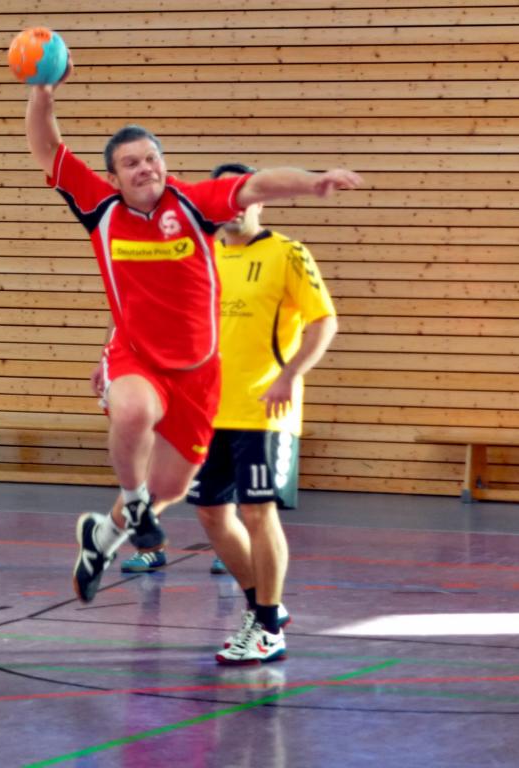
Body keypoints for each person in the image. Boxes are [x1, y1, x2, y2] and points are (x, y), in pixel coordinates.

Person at [23, 60, 361, 604]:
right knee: (132, 412)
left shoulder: (192, 204)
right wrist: (43, 95)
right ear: (113, 178)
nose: (145, 169)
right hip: (136, 356)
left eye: (152, 158)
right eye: (131, 163)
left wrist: (312, 181)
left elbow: (256, 184)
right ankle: (134, 504)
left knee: (174, 488)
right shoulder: (99, 207)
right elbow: (47, 150)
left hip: (199, 375)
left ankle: (103, 534)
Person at [195, 162, 339, 664]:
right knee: (211, 513)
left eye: (243, 196)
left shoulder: (288, 254)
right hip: (207, 409)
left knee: (257, 511)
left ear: (259, 202)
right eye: (225, 198)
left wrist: (289, 375)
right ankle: (265, 609)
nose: (234, 207)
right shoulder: (202, 257)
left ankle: (267, 627)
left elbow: (323, 322)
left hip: (264, 408)